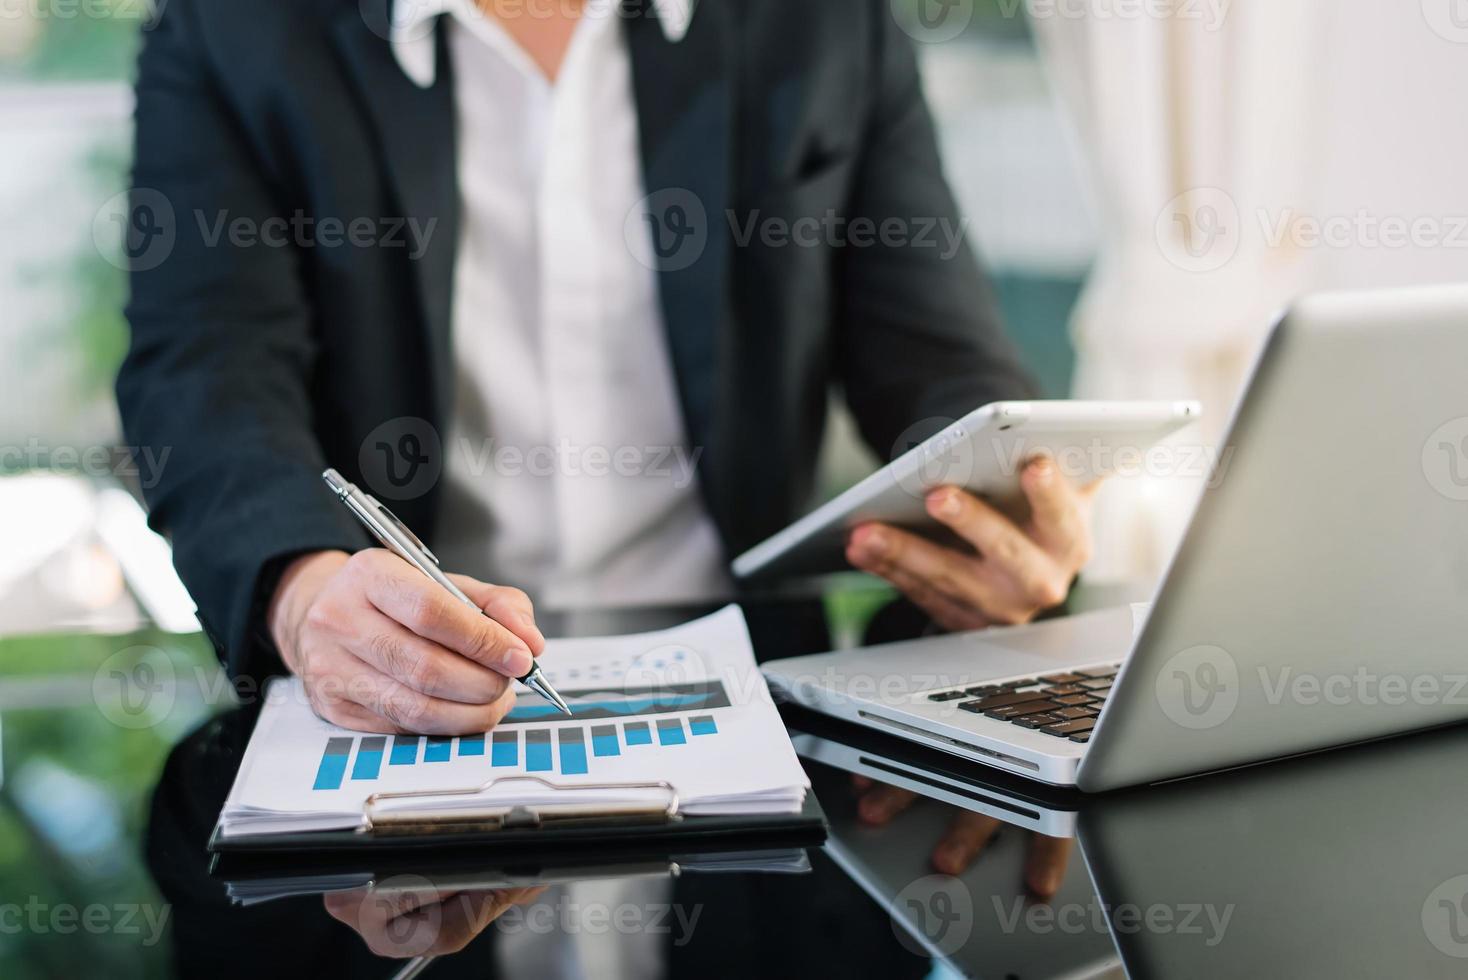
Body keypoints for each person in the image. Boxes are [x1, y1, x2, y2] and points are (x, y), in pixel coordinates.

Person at [118, 0, 1093, 760]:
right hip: (395, 694)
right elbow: (205, 365)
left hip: (752, 690)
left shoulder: (826, 19)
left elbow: (936, 354)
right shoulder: (229, 25)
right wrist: (298, 586)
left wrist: (1007, 510)